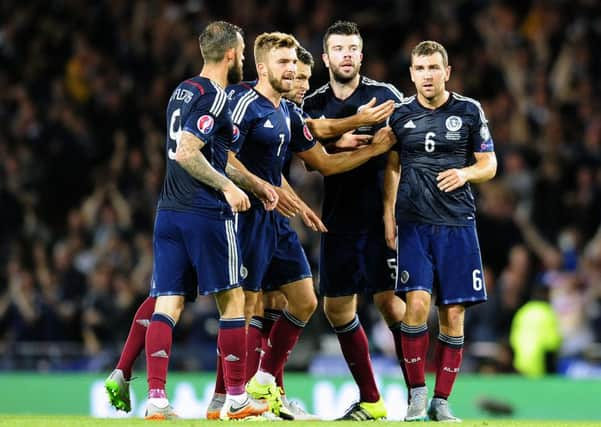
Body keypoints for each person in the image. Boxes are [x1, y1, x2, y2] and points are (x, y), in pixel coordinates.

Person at [107, 21, 276, 421]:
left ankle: (157, 400)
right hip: (206, 213)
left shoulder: (183, 90)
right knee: (234, 300)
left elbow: (207, 152)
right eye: (243, 52)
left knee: (167, 303)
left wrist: (252, 182)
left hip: (168, 213)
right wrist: (229, 189)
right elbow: (187, 151)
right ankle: (236, 398)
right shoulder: (216, 97)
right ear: (232, 54)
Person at [226, 32, 396, 419]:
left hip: (279, 220)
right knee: (251, 305)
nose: (296, 79)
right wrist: (265, 186)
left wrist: (371, 146)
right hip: (248, 215)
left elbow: (321, 156)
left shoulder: (288, 112)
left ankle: (265, 385)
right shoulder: (244, 104)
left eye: (300, 72)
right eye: (287, 67)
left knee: (302, 301)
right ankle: (235, 397)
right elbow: (225, 155)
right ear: (264, 67)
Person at [383, 40, 497, 421]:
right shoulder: (400, 115)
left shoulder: (468, 111)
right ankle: (416, 393)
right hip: (414, 224)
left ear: (446, 72)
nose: (427, 76)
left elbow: (489, 164)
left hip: (457, 224)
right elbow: (393, 167)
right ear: (411, 73)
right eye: (420, 69)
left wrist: (465, 172)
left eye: (434, 68)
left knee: (453, 314)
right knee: (415, 304)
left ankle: (441, 401)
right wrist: (388, 213)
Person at [302, 20, 407, 420]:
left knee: (391, 304)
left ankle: (417, 393)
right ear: (325, 57)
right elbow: (311, 157)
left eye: (353, 48)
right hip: (337, 219)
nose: (347, 54)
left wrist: (390, 212)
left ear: (361, 56)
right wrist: (337, 139)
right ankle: (372, 400)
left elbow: (396, 150)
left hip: (381, 217)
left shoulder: (386, 96)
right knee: (337, 310)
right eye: (339, 48)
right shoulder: (313, 103)